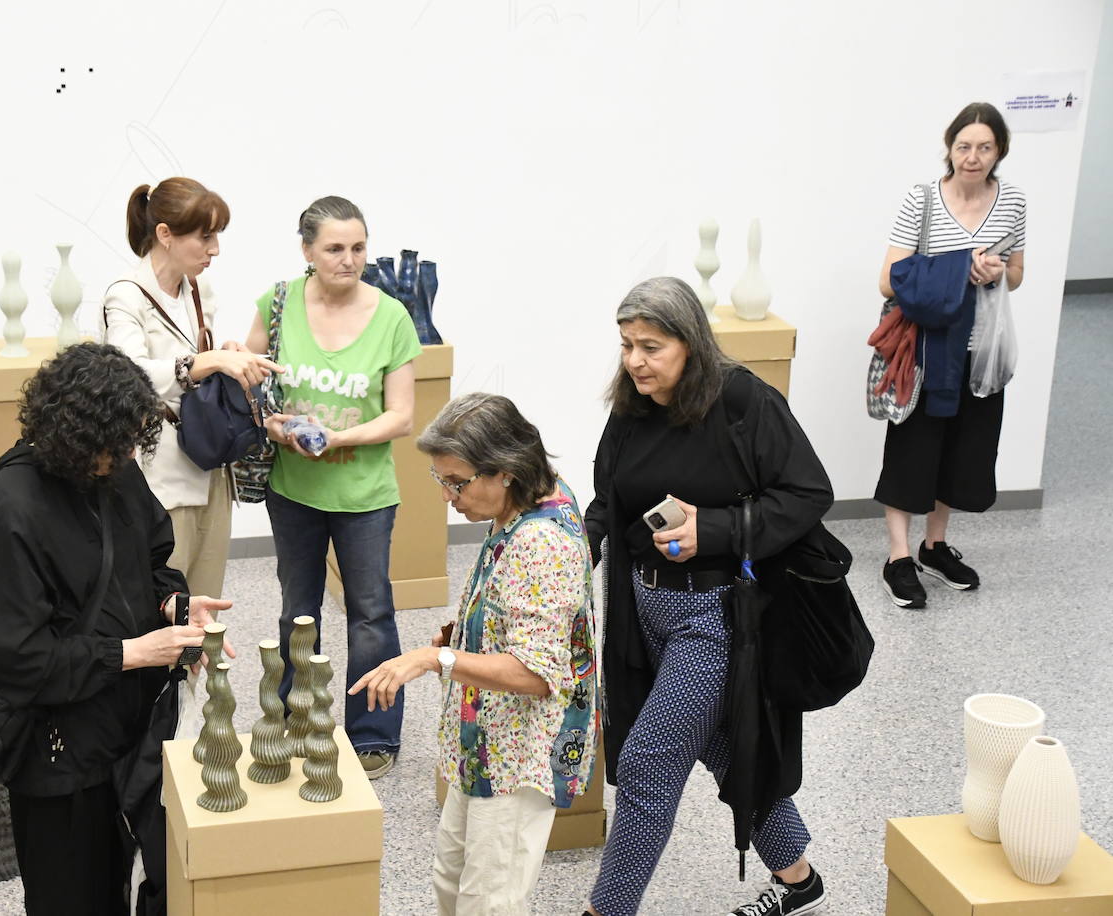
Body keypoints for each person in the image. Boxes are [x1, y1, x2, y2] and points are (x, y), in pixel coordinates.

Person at [583, 278, 833, 916]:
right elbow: (608, 501)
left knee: (647, 763)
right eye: (626, 345)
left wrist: (716, 529)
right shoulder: (632, 405)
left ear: (690, 344)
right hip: (640, 612)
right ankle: (800, 880)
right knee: (725, 742)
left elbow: (807, 493)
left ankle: (604, 911)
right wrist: (567, 555)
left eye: (651, 346)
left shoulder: (745, 399)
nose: (635, 361)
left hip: (715, 615)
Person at [0, 342, 232, 915]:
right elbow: (15, 659)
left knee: (124, 879)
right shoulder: (13, 510)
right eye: (120, 443)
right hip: (59, 760)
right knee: (73, 895)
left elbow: (153, 560)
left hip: (128, 738)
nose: (132, 452)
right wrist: (133, 653)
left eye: (135, 439)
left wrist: (173, 604)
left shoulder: (115, 470)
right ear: (78, 437)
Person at [349, 392, 599, 915]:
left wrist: (434, 659)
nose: (446, 495)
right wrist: (464, 634)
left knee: (489, 900)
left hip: (516, 754)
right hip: (484, 739)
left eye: (456, 482)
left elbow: (535, 673)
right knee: (452, 878)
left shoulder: (542, 543)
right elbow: (517, 607)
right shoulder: (519, 504)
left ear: (503, 471)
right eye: (440, 479)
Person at [245, 195, 422, 779]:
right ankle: (298, 717)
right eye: (335, 249)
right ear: (307, 251)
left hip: (364, 494)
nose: (349, 260)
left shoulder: (392, 316)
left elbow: (401, 416)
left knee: (370, 612)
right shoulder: (277, 302)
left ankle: (372, 732)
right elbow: (249, 383)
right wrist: (274, 424)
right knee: (298, 609)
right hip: (292, 489)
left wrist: (338, 438)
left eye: (358, 248)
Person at [875, 102, 1026, 609]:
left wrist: (997, 271)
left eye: (985, 147)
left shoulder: (1013, 203)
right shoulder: (921, 200)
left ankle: (934, 546)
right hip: (926, 350)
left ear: (999, 150)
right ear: (950, 147)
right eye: (964, 146)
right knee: (912, 451)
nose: (973, 157)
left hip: (981, 350)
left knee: (963, 451)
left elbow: (1018, 273)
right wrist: (961, 267)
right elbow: (887, 278)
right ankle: (898, 556)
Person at [102, 177, 281, 600]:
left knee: (205, 601)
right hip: (160, 475)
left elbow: (194, 364)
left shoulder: (198, 290)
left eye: (216, 235)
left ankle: (201, 670)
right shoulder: (125, 297)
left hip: (211, 465)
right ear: (165, 234)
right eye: (205, 237)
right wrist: (212, 360)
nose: (214, 249)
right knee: (161, 599)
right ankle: (166, 670)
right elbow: (129, 375)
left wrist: (225, 354)